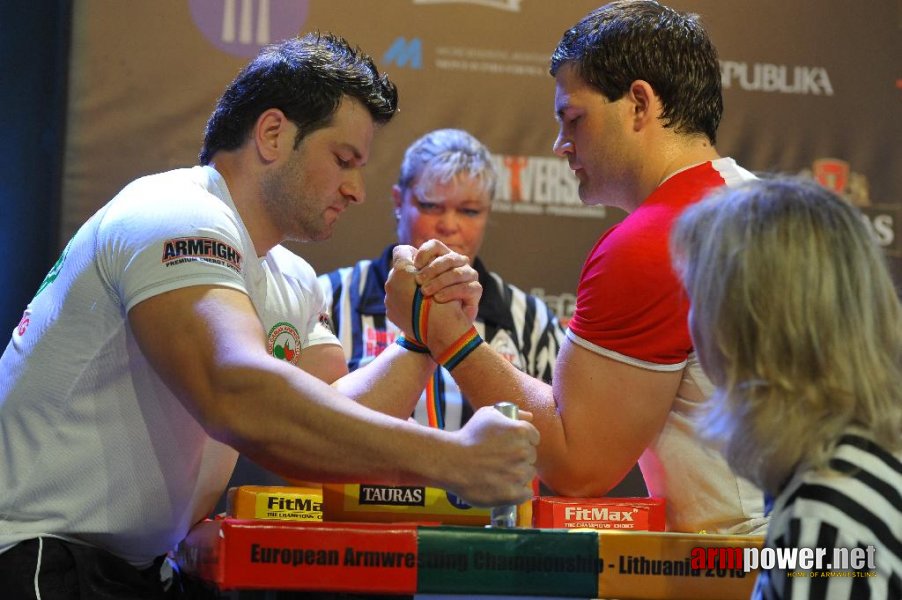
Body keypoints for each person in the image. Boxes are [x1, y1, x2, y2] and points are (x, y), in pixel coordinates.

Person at [0, 33, 539, 598]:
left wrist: (424, 337)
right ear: (273, 134)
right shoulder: (173, 211)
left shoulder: (291, 278)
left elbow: (328, 432)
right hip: (36, 554)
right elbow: (236, 392)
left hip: (139, 570)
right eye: (343, 160)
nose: (356, 189)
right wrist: (452, 459)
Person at [383, 0, 767, 534]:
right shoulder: (770, 206)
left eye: (573, 118)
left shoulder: (657, 239)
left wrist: (447, 335)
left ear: (638, 104)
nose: (561, 145)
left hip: (749, 569)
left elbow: (577, 464)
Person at [670, 177, 902, 599]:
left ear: (738, 326)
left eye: (697, 298)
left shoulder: (825, 518)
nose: (691, 321)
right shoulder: (858, 462)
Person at [320, 128, 564, 431]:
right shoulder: (330, 297)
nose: (449, 225)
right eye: (431, 206)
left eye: (469, 211)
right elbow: (306, 428)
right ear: (399, 201)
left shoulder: (533, 322)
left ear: (488, 212)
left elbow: (558, 445)